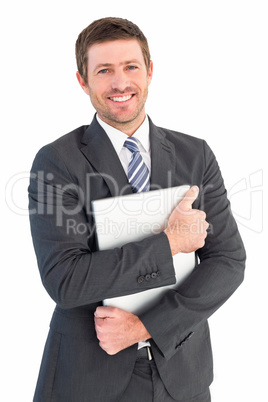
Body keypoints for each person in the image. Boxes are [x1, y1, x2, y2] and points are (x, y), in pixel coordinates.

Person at [28, 17, 246, 402]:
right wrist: (170, 243)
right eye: (104, 70)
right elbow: (65, 279)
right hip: (88, 379)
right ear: (83, 81)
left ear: (149, 71)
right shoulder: (57, 162)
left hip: (182, 375)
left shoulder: (195, 154)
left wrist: (147, 327)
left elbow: (227, 260)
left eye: (130, 67)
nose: (120, 83)